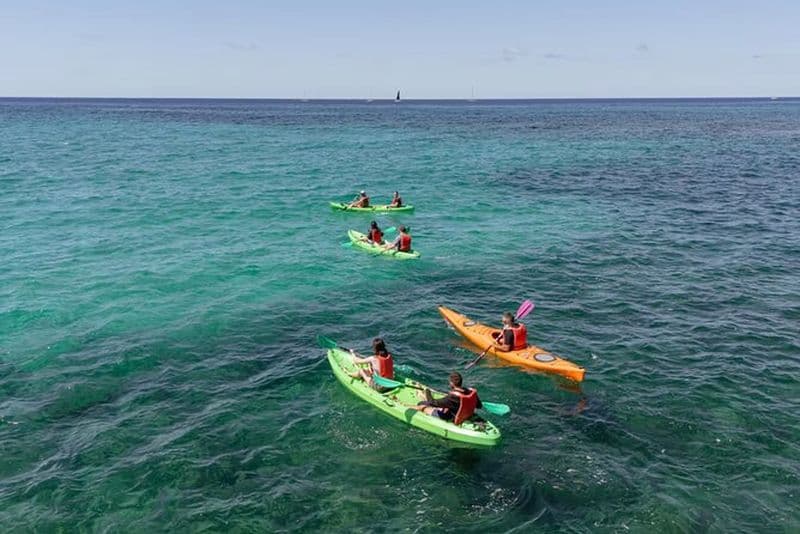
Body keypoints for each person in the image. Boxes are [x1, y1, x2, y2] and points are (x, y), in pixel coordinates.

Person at [412, 372, 482, 425]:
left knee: (422, 405)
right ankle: (423, 396)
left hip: (450, 417)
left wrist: (427, 391)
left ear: (452, 383)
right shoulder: (470, 392)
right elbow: (479, 406)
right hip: (465, 414)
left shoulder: (452, 397)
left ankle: (405, 405)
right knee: (430, 403)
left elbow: (432, 402)